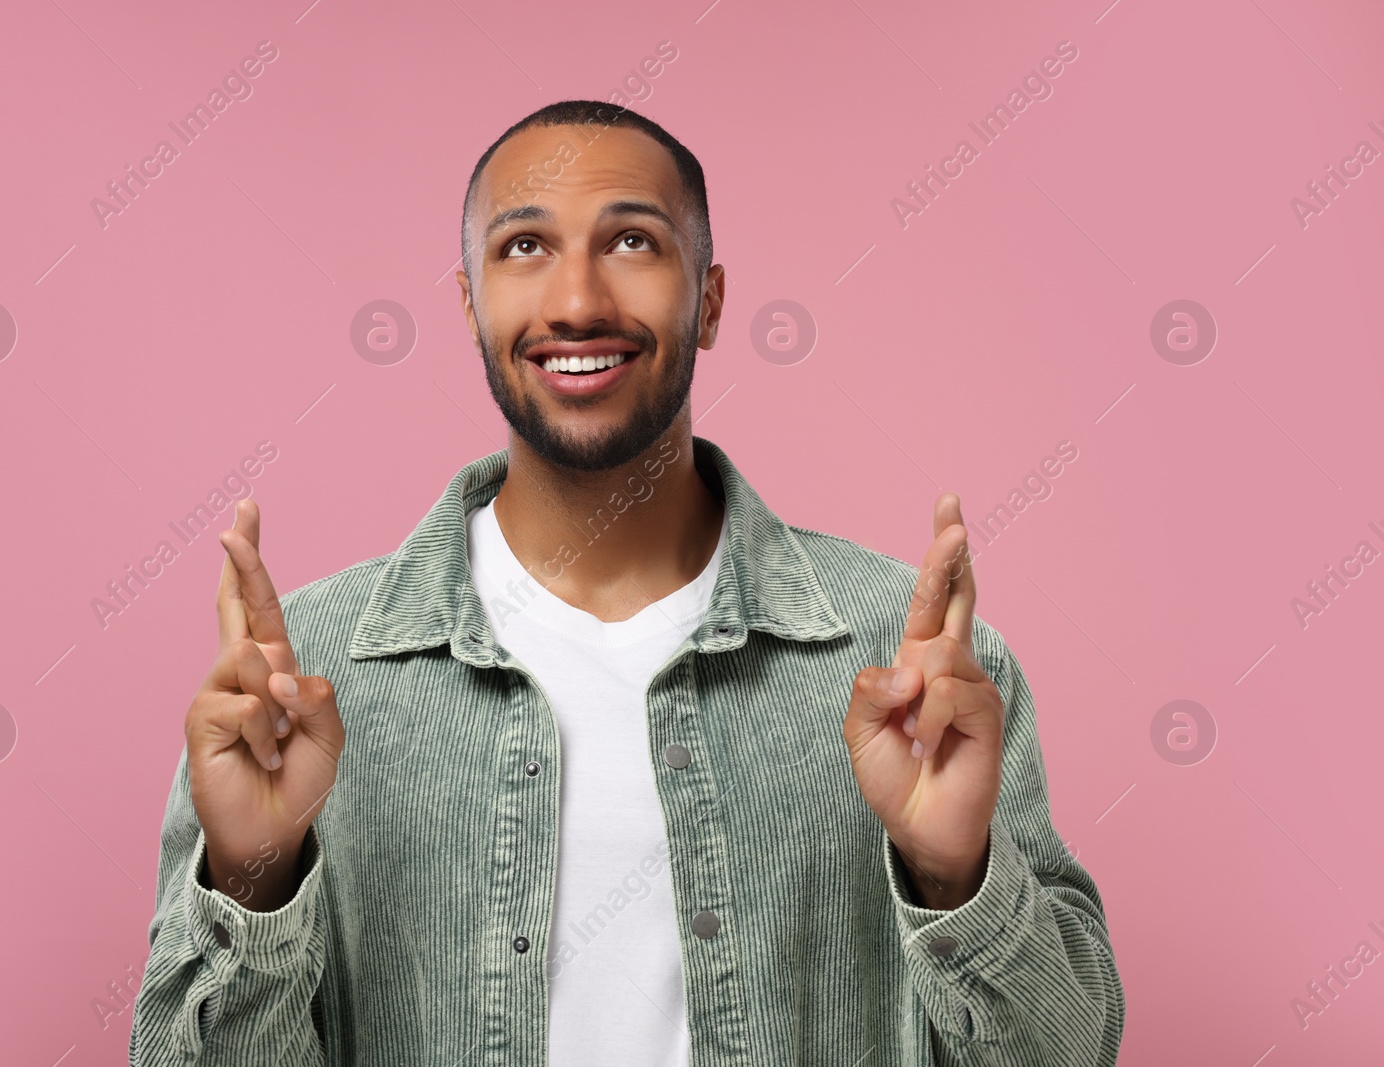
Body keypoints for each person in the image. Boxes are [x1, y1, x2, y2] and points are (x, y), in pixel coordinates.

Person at [130, 100, 1124, 1066]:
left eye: (633, 243)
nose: (576, 302)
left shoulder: (914, 669)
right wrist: (253, 885)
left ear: (711, 299)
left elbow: (1069, 1052)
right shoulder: (300, 676)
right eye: (524, 247)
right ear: (471, 301)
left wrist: (952, 877)